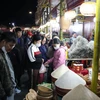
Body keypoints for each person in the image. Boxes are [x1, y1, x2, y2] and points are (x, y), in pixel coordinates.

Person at [0, 32, 17, 100]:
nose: (11, 48)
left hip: (9, 89)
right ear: (4, 42)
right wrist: (3, 94)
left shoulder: (3, 52)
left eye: (13, 46)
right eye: (10, 45)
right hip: (4, 93)